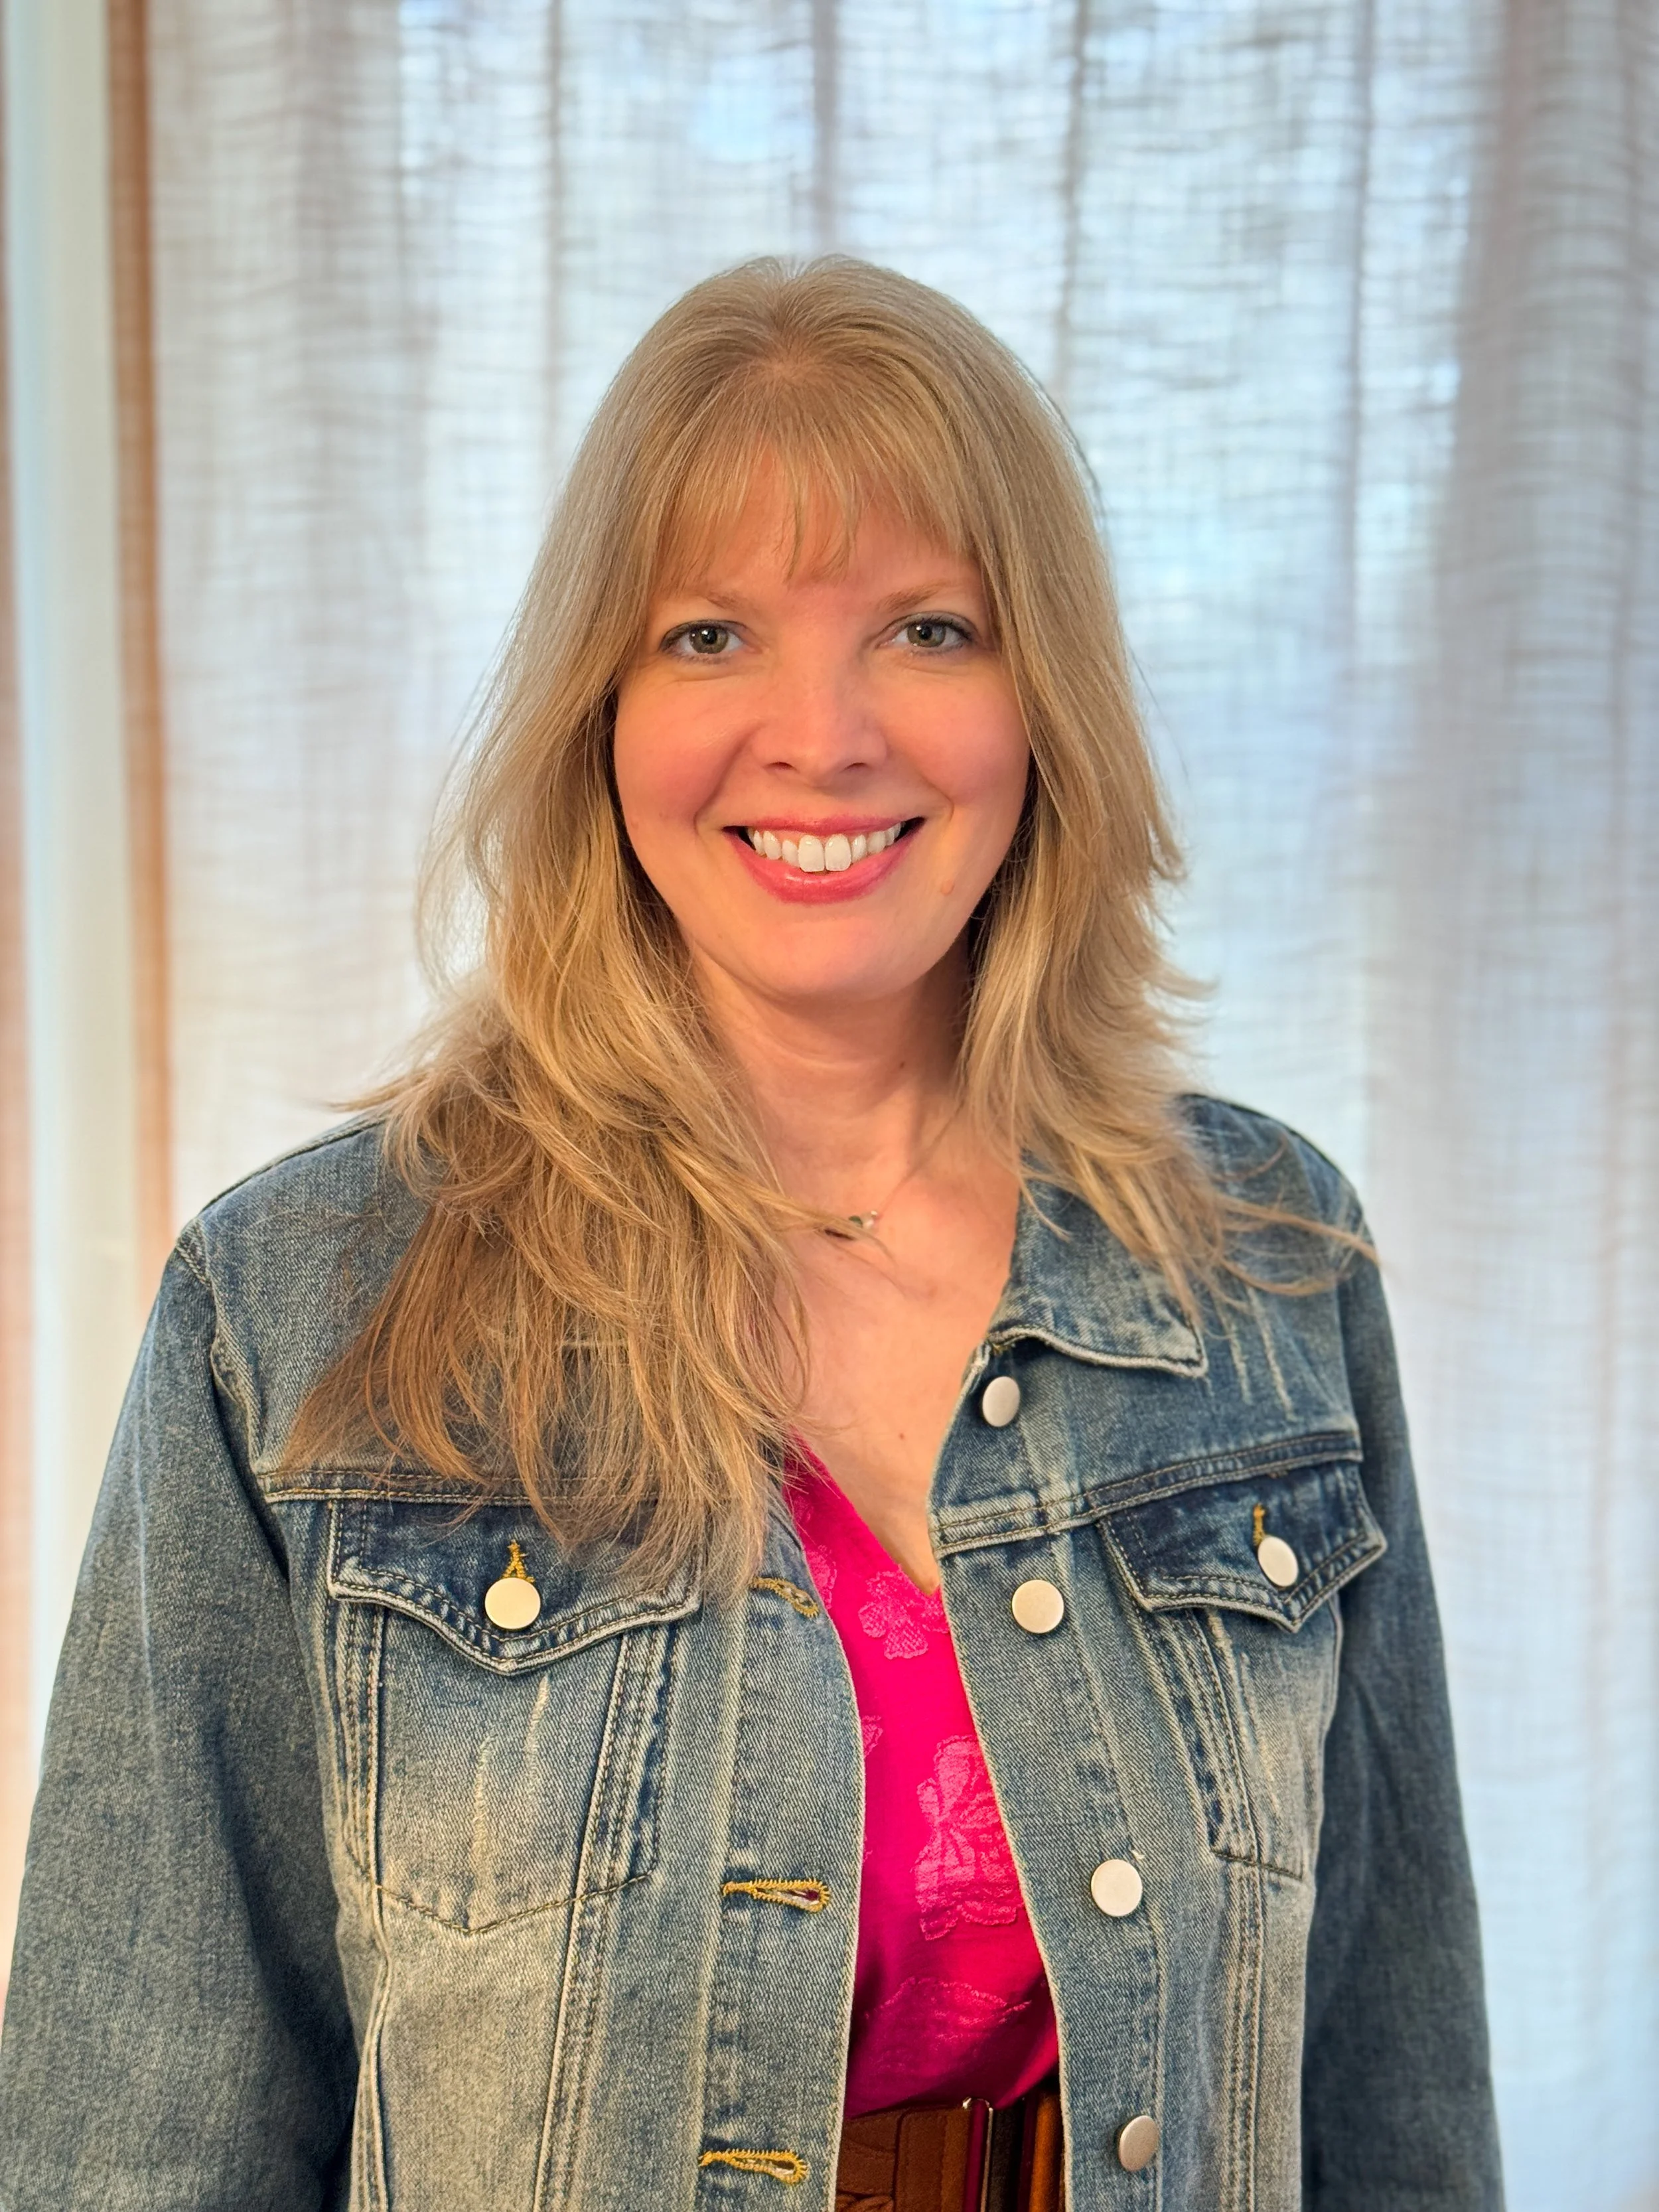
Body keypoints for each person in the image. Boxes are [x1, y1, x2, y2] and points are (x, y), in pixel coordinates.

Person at [0, 258, 1502, 2212]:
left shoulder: (1270, 1262)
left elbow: (1392, 2086)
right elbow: (137, 2141)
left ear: (1040, 695)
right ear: (597, 710)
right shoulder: (296, 1311)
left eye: (928, 629)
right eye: (707, 633)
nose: (822, 733)